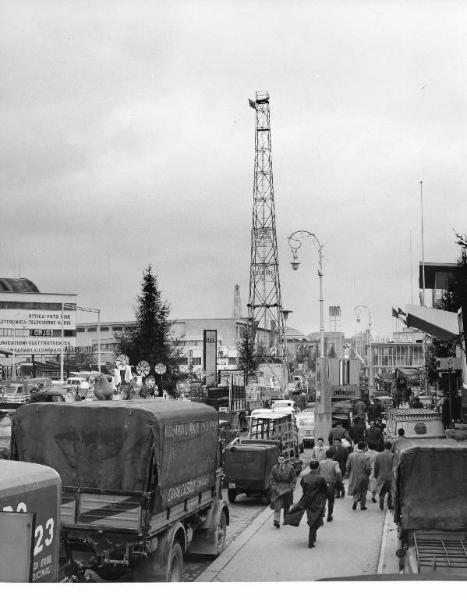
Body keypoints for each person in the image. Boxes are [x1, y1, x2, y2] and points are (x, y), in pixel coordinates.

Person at [300, 461, 328, 548]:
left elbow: (302, 486)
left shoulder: (304, 477)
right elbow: (325, 490)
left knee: (312, 518)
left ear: (310, 467)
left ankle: (313, 536)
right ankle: (311, 541)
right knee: (316, 520)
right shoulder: (321, 478)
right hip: (318, 501)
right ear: (318, 467)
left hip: (307, 500)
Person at [269, 453, 297, 528]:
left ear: (285, 460)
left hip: (287, 488)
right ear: (278, 460)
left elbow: (294, 479)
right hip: (278, 488)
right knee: (277, 505)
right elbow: (272, 479)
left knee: (287, 505)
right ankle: (276, 520)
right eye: (279, 459)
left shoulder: (290, 468)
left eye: (282, 459)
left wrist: (291, 487)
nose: (281, 461)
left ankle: (286, 519)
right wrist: (274, 487)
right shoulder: (274, 468)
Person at [345, 440, 371, 511]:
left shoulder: (351, 455)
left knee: (355, 489)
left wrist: (348, 473)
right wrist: (368, 474)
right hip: (363, 475)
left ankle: (355, 499)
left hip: (353, 474)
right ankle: (362, 505)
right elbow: (368, 468)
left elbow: (347, 466)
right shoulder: (366, 457)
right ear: (364, 448)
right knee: (363, 491)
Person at [319, 449, 341, 522]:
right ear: (333, 456)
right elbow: (338, 472)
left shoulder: (321, 462)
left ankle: (321, 516)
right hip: (331, 484)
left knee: (322, 501)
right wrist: (339, 482)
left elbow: (317, 472)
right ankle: (329, 516)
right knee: (331, 501)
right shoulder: (335, 463)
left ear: (326, 455)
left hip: (322, 484)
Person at [374, 441, 394, 510]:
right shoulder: (393, 455)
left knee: (382, 491)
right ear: (391, 447)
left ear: (384, 446)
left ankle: (381, 499)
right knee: (390, 492)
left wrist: (375, 475)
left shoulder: (378, 455)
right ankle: (389, 505)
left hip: (381, 476)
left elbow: (376, 466)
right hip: (390, 477)